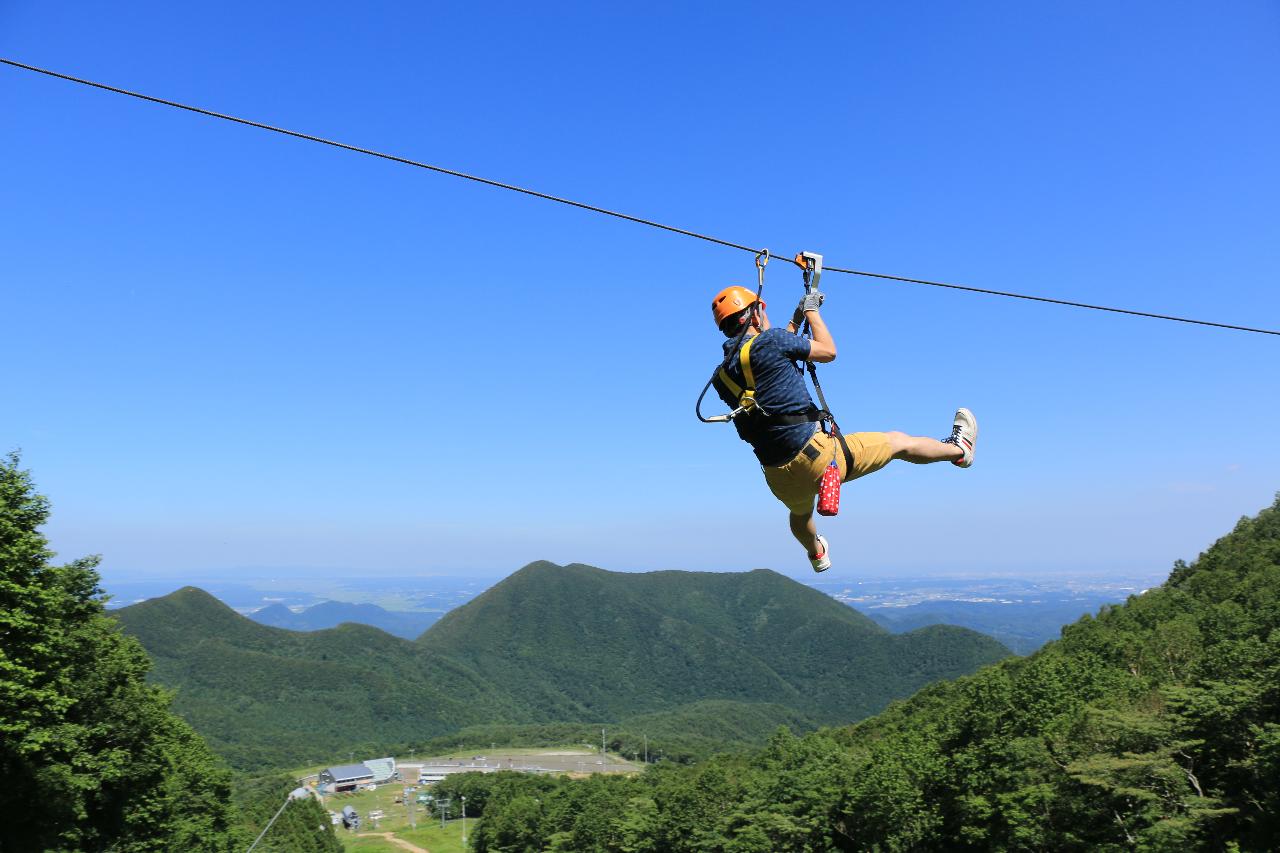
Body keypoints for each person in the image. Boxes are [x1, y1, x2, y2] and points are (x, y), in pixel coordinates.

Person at [709, 284, 978, 572]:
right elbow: (827, 351)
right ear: (753, 314)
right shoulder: (772, 342)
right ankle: (959, 450)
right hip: (818, 457)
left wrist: (797, 316)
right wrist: (811, 310)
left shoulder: (721, 376)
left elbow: (766, 356)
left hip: (777, 475)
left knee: (800, 514)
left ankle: (817, 554)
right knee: (898, 442)